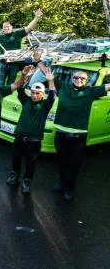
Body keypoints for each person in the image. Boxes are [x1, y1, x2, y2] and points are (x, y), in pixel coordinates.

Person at [35, 55, 110, 202]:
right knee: (61, 162)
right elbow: (47, 73)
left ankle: (69, 189)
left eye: (82, 78)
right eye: (76, 77)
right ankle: (61, 183)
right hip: (61, 134)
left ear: (86, 81)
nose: (78, 80)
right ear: (72, 79)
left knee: (74, 165)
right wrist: (38, 61)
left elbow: (108, 86)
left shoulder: (91, 91)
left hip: (78, 137)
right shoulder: (64, 87)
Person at [5, 65, 56, 195]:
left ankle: (27, 181)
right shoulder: (26, 101)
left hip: (34, 140)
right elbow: (20, 89)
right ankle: (14, 175)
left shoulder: (45, 105)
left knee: (30, 163)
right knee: (16, 158)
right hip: (20, 137)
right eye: (33, 92)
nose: (34, 95)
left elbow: (52, 95)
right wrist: (26, 77)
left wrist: (50, 81)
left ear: (42, 94)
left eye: (37, 93)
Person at [0, 9, 43, 86]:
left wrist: (36, 18)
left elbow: (29, 27)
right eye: (4, 27)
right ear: (2, 28)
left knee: (10, 85)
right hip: (3, 63)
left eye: (8, 26)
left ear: (11, 27)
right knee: (0, 84)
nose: (6, 28)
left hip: (14, 64)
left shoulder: (17, 34)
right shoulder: (0, 37)